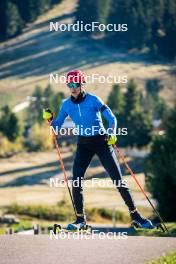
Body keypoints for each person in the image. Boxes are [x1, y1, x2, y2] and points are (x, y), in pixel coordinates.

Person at [43, 69, 154, 230]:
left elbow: (111, 117)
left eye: (75, 84)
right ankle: (80, 220)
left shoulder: (94, 100)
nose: (72, 87)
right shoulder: (66, 104)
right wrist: (50, 121)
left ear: (81, 84)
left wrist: (112, 132)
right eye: (69, 84)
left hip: (102, 141)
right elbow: (57, 127)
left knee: (117, 179)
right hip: (83, 144)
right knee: (77, 180)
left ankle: (136, 216)